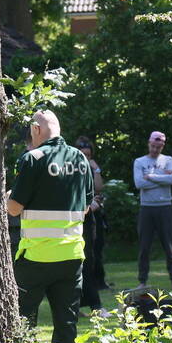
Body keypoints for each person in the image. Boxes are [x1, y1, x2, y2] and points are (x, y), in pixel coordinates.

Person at [7, 111, 94, 343]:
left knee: (22, 323)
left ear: (35, 130)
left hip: (36, 257)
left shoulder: (32, 158)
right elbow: (87, 207)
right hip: (70, 257)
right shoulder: (80, 158)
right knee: (66, 325)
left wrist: (8, 196)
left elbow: (13, 209)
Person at [133, 130, 172, 289]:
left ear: (162, 146)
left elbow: (171, 179)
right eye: (152, 146)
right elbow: (139, 184)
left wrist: (151, 177)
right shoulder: (139, 162)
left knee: (170, 247)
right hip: (147, 208)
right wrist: (162, 179)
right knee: (144, 247)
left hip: (164, 207)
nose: (154, 150)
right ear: (148, 143)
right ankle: (142, 281)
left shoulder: (168, 160)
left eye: (158, 147)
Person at [75, 136, 107, 317]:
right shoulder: (73, 170)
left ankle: (81, 305)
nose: (85, 158)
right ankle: (95, 305)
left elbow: (99, 187)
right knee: (83, 263)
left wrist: (96, 169)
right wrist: (88, 205)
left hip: (89, 221)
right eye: (83, 155)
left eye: (88, 155)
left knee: (89, 262)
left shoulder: (90, 168)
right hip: (78, 220)